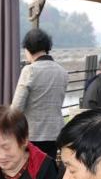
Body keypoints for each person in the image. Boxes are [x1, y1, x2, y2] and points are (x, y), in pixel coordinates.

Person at [12, 28, 68, 161]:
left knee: (31, 170)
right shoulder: (62, 71)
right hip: (55, 133)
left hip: (32, 134)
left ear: (28, 49)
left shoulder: (29, 70)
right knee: (48, 168)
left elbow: (16, 108)